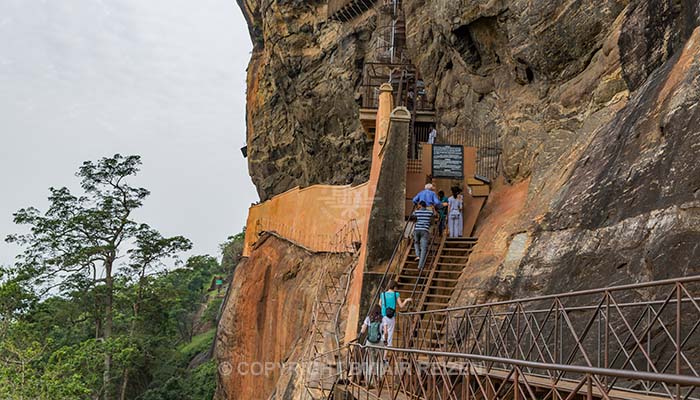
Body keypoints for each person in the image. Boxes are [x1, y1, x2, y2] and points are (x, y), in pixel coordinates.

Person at [380, 281, 412, 360]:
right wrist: (406, 300)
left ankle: (380, 348)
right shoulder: (396, 294)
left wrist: (384, 309)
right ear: (394, 287)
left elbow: (380, 304)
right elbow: (401, 306)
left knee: (383, 333)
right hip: (391, 317)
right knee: (389, 336)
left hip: (384, 316)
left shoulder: (382, 294)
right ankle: (384, 357)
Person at [412, 201, 434, 270]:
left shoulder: (417, 211)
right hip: (425, 230)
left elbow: (413, 214)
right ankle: (420, 266)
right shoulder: (429, 212)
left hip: (417, 229)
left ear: (420, 205)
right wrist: (433, 208)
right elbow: (434, 214)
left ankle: (418, 255)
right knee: (424, 249)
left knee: (416, 242)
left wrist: (416, 208)